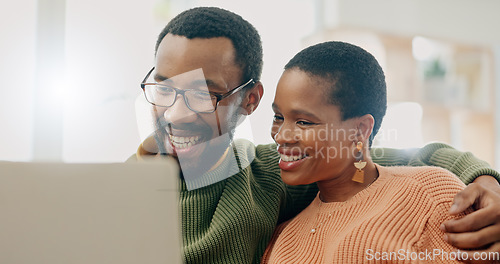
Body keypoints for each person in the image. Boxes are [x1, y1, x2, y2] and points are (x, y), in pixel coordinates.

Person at [131, 6, 500, 264]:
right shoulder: (119, 190)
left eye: (203, 95)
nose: (176, 114)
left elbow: (387, 159)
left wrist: (484, 178)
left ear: (249, 101)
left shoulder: (265, 174)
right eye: (164, 89)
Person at [262, 41, 477, 263]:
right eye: (278, 117)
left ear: (360, 129)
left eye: (304, 122)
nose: (281, 135)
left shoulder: (431, 197)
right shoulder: (282, 239)